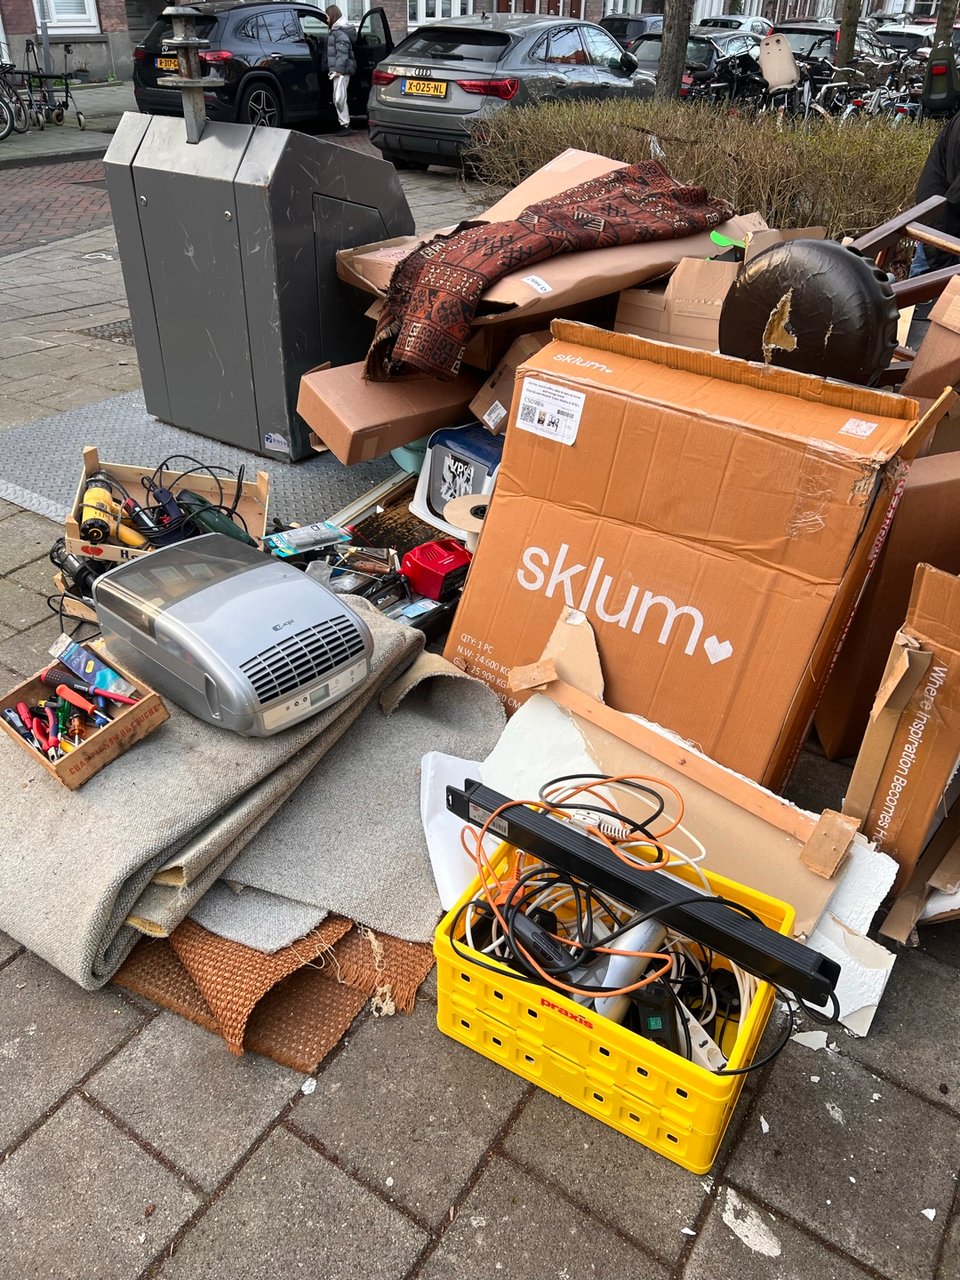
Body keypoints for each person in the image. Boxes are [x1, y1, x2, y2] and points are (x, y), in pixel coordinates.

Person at [325, 5, 357, 136]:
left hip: (341, 72)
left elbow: (342, 54)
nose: (326, 19)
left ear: (332, 16)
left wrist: (338, 70)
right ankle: (343, 123)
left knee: (340, 98)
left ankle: (345, 125)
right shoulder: (336, 31)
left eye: (327, 16)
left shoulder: (339, 33)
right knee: (339, 97)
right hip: (339, 71)